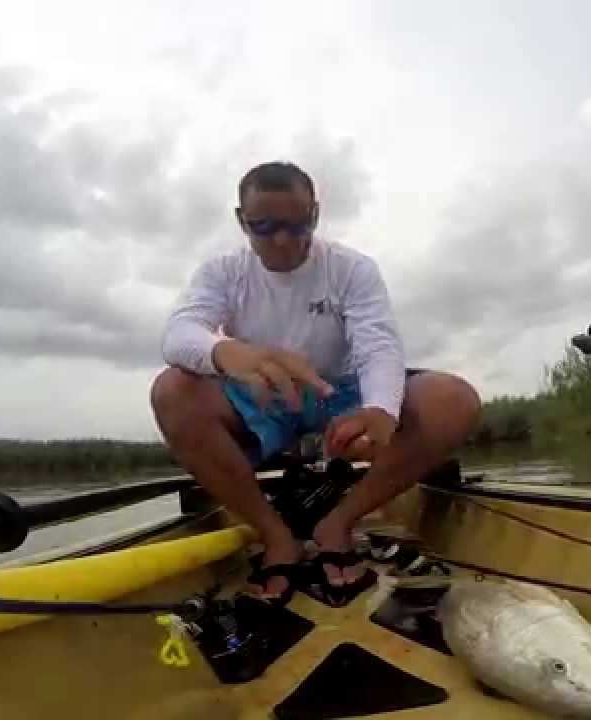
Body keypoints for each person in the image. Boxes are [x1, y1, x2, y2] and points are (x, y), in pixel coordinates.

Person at [151, 160, 480, 605]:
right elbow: (178, 334)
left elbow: (378, 345)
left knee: (453, 400)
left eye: (297, 225)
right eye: (263, 227)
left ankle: (338, 523)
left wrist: (381, 410)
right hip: (263, 398)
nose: (282, 240)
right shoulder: (222, 272)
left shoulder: (352, 268)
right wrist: (229, 353)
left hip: (339, 393)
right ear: (241, 221)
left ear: (316, 215)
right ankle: (275, 535)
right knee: (171, 392)